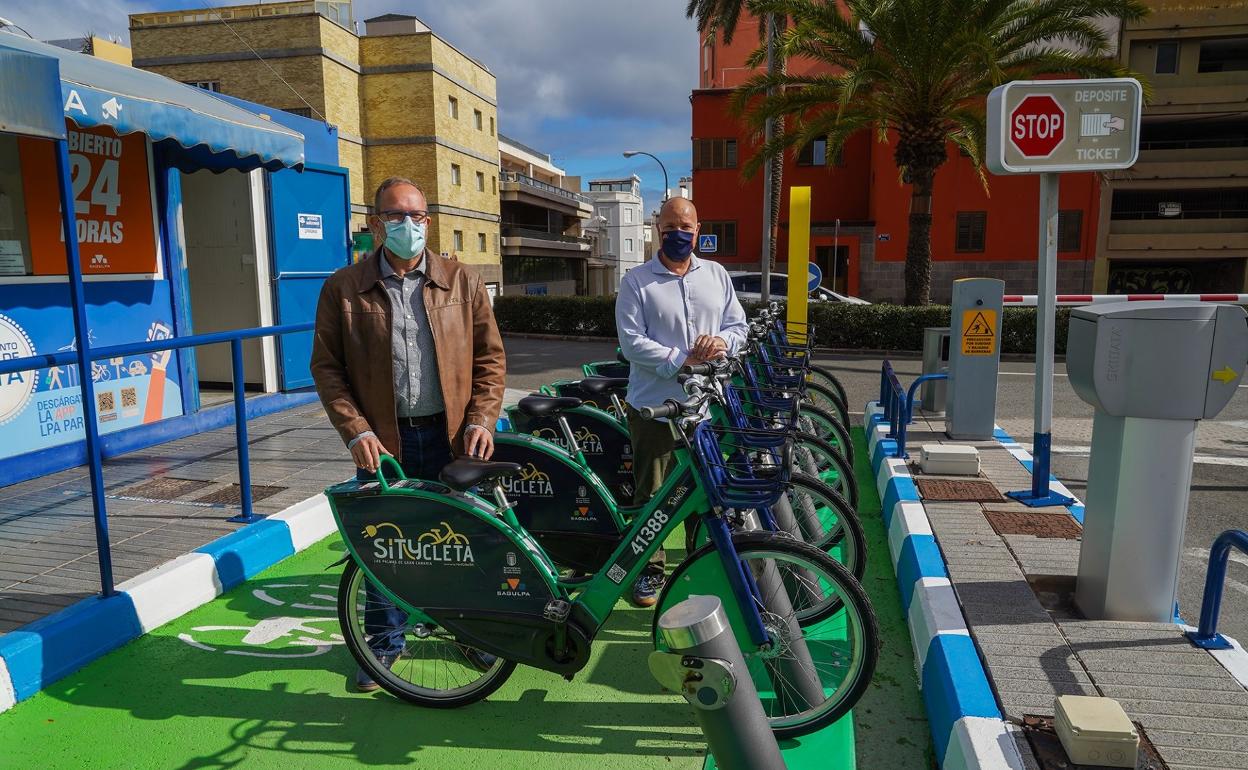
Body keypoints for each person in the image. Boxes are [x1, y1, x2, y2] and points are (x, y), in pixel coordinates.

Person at [311, 176, 505, 690]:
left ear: (428, 220)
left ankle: (474, 634)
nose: (409, 225)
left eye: (417, 216)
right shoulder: (343, 288)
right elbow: (327, 369)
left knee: (463, 544)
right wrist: (355, 432)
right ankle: (382, 647)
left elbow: (490, 359)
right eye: (396, 216)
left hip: (453, 439)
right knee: (386, 546)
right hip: (383, 444)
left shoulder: (462, 281)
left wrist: (482, 418)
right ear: (375, 223)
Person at [615, 197, 747, 607]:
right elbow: (631, 343)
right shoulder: (637, 281)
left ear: (698, 228)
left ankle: (698, 562)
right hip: (654, 407)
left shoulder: (717, 275)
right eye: (670, 226)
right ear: (658, 228)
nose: (678, 234)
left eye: (685, 226)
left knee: (702, 491)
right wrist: (682, 360)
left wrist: (722, 341)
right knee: (651, 493)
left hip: (703, 408)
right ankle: (648, 571)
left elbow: (738, 325)